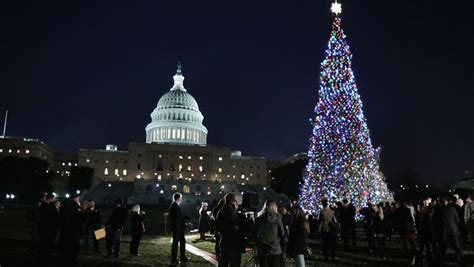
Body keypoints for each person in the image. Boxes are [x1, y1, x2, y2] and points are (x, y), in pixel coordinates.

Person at [215, 193, 244, 267]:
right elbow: (237, 224)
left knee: (223, 263)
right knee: (234, 263)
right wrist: (237, 210)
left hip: (224, 240)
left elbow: (218, 225)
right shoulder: (231, 211)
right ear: (232, 200)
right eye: (234, 199)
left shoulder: (221, 210)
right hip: (233, 242)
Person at [254, 200, 285, 267]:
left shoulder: (259, 219)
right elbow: (282, 233)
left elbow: (254, 234)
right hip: (275, 248)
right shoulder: (277, 218)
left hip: (262, 249)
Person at [435, 196, 463, 263]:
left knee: (442, 246)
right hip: (453, 229)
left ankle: (442, 259)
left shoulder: (437, 209)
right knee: (456, 245)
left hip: (443, 230)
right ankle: (460, 257)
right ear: (446, 201)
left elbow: (434, 221)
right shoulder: (452, 209)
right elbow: (457, 220)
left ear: (439, 202)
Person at [59, 193, 83, 267]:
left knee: (66, 250)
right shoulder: (74, 207)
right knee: (72, 251)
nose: (79, 199)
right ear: (75, 198)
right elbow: (79, 220)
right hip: (72, 232)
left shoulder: (66, 206)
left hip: (66, 232)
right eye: (78, 198)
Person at [38, 193, 59, 266]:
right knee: (48, 244)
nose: (54, 200)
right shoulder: (50, 206)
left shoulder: (42, 206)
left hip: (43, 228)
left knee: (44, 244)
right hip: (49, 229)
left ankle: (43, 258)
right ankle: (46, 258)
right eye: (53, 198)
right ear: (50, 199)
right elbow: (55, 217)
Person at [169, 193, 189, 264]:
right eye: (180, 198)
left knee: (182, 241)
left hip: (179, 227)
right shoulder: (174, 206)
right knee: (175, 243)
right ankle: (174, 259)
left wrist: (185, 217)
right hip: (177, 228)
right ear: (178, 198)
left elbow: (179, 216)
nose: (181, 199)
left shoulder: (175, 205)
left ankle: (182, 257)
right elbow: (175, 217)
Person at [397, 200, 417, 265]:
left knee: (405, 242)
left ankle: (408, 255)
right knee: (411, 242)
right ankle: (412, 255)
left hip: (403, 228)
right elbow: (410, 218)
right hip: (408, 227)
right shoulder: (407, 210)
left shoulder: (399, 210)